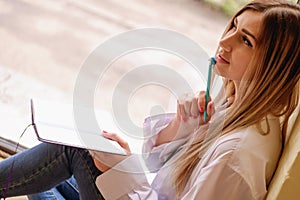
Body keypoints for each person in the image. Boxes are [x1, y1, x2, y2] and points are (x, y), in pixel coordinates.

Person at [1, 0, 300, 199]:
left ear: (274, 63)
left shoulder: (236, 157)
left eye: (246, 40)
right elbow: (159, 166)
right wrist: (182, 127)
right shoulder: (231, 104)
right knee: (57, 166)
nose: (225, 41)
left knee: (71, 153)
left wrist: (123, 169)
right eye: (234, 26)